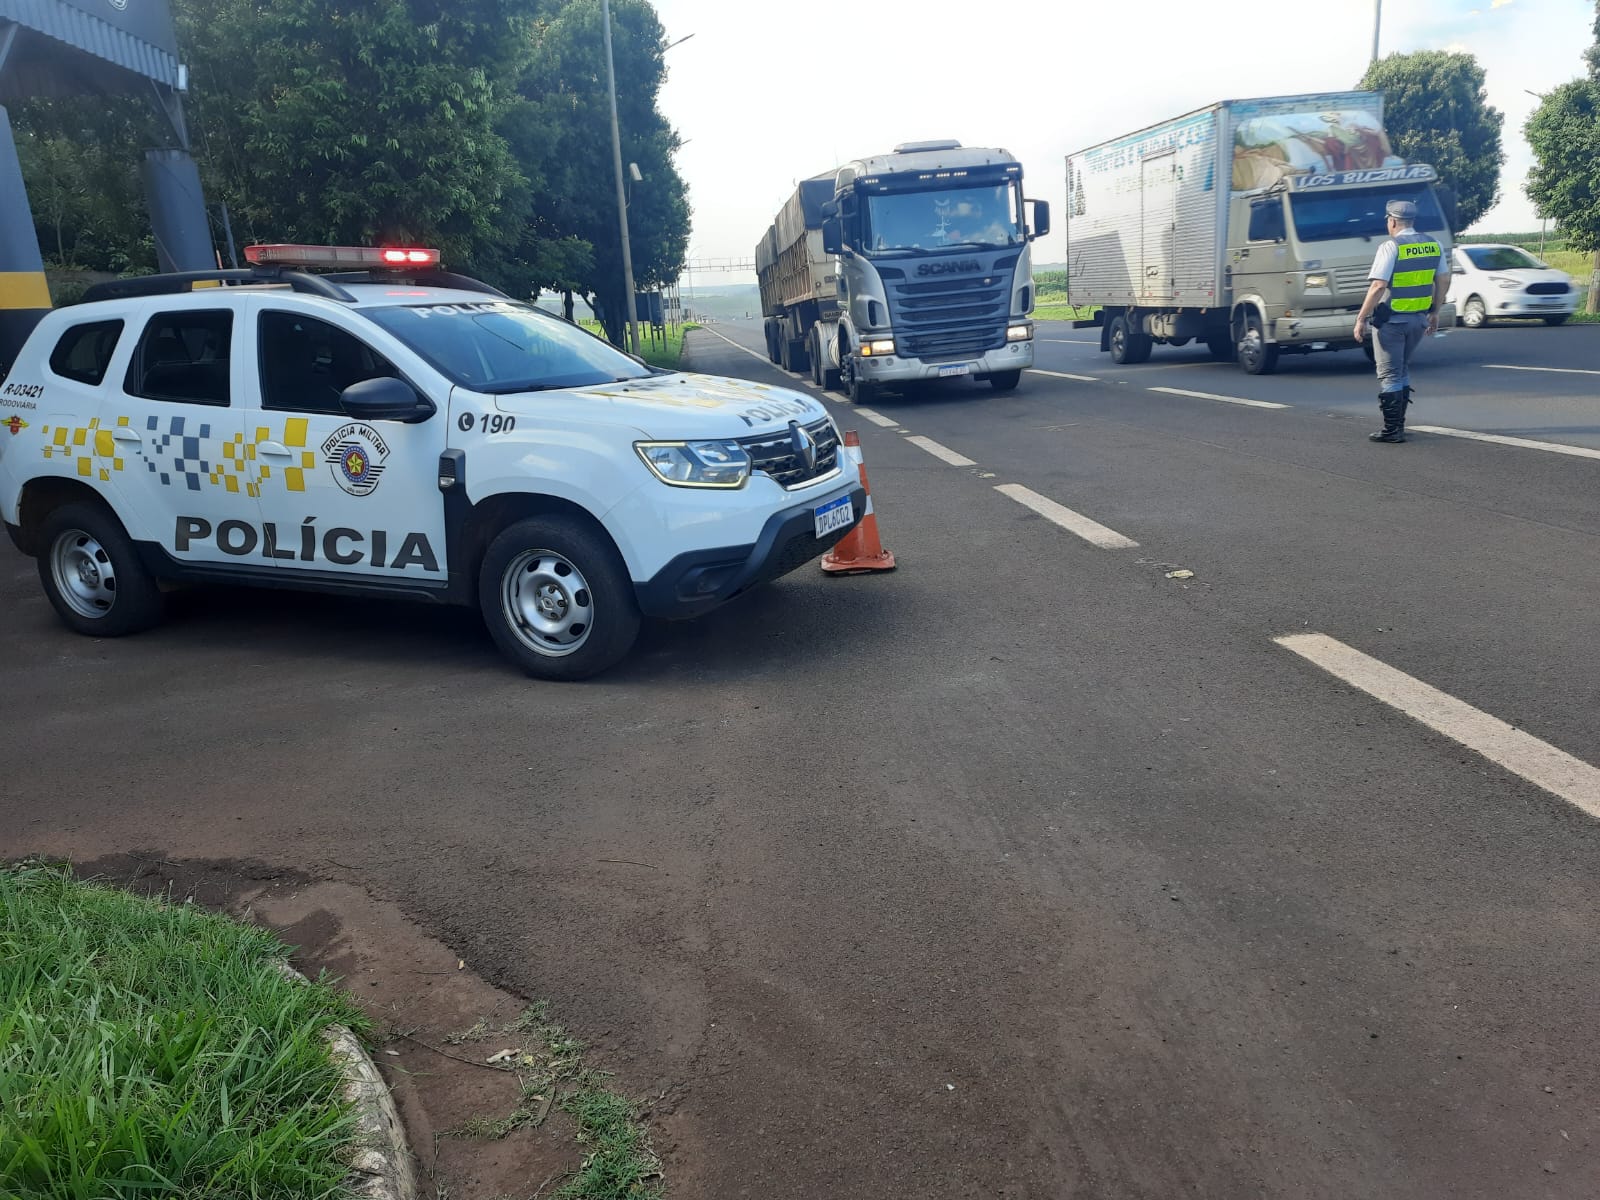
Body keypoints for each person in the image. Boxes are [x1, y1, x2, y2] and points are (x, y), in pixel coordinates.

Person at [1353, 199, 1450, 443]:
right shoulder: (1434, 244)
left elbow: (1378, 286)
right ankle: (1399, 425)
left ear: (1393, 221)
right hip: (1418, 320)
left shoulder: (1391, 247)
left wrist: (1361, 317)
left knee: (1389, 374)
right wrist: (1435, 311)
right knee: (1402, 369)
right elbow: (1444, 280)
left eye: (1388, 221)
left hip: (1391, 322)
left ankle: (1392, 430)